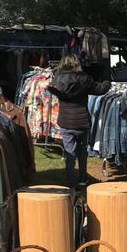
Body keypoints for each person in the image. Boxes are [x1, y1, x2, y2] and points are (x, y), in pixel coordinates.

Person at [48, 53, 111, 190]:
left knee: (70, 153)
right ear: (77, 63)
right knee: (82, 150)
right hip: (82, 121)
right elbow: (101, 89)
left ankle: (71, 182)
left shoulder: (57, 80)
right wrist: (107, 79)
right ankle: (83, 178)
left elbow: (51, 89)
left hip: (66, 122)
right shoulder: (85, 80)